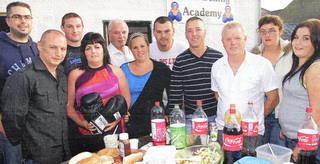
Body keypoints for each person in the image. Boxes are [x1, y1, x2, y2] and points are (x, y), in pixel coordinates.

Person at [1, 30, 70, 164]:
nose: (59, 53)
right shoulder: (24, 77)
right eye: (53, 47)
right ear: (40, 46)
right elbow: (12, 118)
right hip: (37, 156)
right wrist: (28, 148)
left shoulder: (62, 74)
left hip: (63, 152)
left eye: (63, 49)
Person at [211, 22, 279, 147]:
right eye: (228, 39)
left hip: (251, 132)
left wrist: (254, 118)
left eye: (237, 38)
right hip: (223, 130)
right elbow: (218, 95)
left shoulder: (262, 64)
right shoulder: (216, 66)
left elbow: (273, 98)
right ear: (222, 42)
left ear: (245, 39)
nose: (233, 43)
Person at [66, 32, 131, 154]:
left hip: (115, 131)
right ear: (83, 52)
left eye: (97, 47)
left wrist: (117, 120)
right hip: (87, 134)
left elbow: (126, 99)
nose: (93, 52)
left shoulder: (116, 71)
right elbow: (69, 106)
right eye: (88, 48)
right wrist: (83, 123)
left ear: (104, 50)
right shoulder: (75, 75)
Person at [168, 16, 223, 133]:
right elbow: (175, 94)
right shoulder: (180, 61)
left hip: (217, 119)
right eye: (190, 30)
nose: (194, 34)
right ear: (186, 34)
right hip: (190, 120)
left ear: (205, 32)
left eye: (198, 29)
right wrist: (172, 119)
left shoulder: (218, 58)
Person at [0, 2, 38, 163]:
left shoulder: (37, 49)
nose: (23, 21)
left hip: (35, 126)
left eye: (27, 17)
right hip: (9, 125)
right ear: (8, 21)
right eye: (17, 16)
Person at [279, 18, 320, 163]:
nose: (298, 42)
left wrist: (302, 145)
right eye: (296, 37)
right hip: (293, 137)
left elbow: (318, 111)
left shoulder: (314, 69)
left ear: (316, 43)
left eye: (305, 38)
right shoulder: (298, 66)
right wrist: (285, 126)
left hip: (306, 143)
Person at [121, 32, 171, 138]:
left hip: (156, 121)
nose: (139, 50)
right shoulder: (123, 69)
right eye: (135, 47)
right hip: (131, 123)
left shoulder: (161, 69)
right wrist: (123, 112)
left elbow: (173, 94)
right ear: (130, 49)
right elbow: (118, 96)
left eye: (142, 46)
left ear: (148, 46)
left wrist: (168, 114)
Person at [252, 15, 292, 146]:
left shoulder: (291, 52)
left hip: (280, 116)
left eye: (272, 30)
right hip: (259, 115)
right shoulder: (254, 54)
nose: (267, 35)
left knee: (276, 155)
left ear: (280, 31)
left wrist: (287, 123)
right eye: (263, 31)